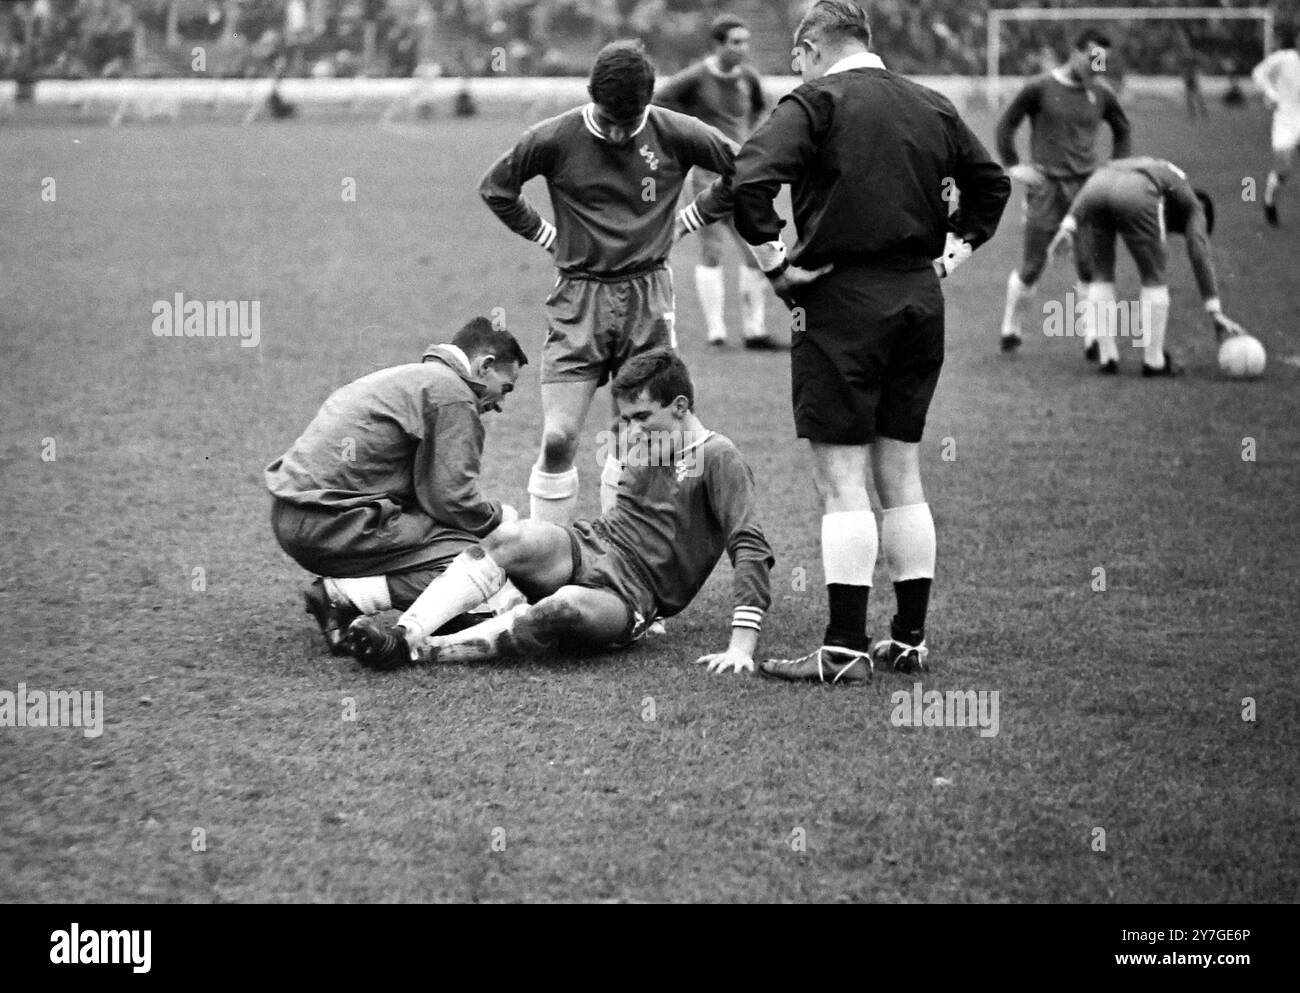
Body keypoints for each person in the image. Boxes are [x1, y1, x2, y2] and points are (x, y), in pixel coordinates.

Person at [730, 0, 1009, 683]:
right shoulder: (931, 103)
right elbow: (992, 184)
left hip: (840, 300)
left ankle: (844, 648)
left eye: (797, 59)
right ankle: (908, 640)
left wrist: (775, 264)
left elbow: (748, 180)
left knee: (842, 480)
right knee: (902, 472)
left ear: (811, 46)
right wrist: (951, 254)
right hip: (919, 298)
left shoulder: (814, 101)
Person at [345, 350, 774, 674]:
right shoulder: (642, 442)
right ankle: (404, 633)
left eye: (643, 416)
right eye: (627, 418)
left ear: (680, 406)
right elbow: (623, 516)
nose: (633, 429)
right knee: (513, 535)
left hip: (635, 593)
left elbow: (751, 546)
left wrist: (741, 646)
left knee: (564, 606)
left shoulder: (720, 456)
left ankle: (421, 652)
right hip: (591, 545)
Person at [479, 41, 740, 527]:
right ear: (590, 96)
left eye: (631, 120)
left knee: (638, 438)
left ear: (650, 101)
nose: (620, 132)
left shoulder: (678, 132)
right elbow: (497, 188)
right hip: (579, 296)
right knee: (558, 438)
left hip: (648, 295)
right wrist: (544, 234)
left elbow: (747, 169)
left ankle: (622, 565)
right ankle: (548, 565)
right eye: (610, 118)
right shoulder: (554, 137)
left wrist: (693, 216)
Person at [265, 317, 527, 654]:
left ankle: (351, 596)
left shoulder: (412, 378)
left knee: (457, 542)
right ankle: (341, 598)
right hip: (328, 522)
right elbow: (452, 500)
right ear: (485, 366)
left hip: (292, 514)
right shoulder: (453, 395)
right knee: (478, 556)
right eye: (506, 388)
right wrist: (500, 519)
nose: (501, 405)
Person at [995, 29, 1131, 357]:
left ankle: (1093, 339)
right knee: (1033, 266)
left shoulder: (1102, 93)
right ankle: (1011, 327)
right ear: (1075, 53)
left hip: (1085, 191)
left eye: (1103, 61)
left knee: (1088, 264)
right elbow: (1006, 126)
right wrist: (1015, 166)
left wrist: (1113, 170)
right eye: (1093, 58)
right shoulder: (1039, 88)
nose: (1098, 66)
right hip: (1046, 189)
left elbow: (1123, 130)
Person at [1047, 157, 1248, 375]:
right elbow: (1199, 253)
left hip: (1097, 185)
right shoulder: (1194, 206)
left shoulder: (1164, 174)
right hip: (1137, 190)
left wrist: (1070, 222)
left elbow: (1097, 183)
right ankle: (1154, 362)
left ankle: (1107, 357)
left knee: (1102, 271)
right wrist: (1214, 310)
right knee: (1154, 275)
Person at [655, 14, 777, 349]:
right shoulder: (695, 77)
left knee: (755, 250)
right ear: (717, 44)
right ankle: (717, 333)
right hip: (707, 175)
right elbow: (659, 103)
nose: (743, 48)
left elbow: (761, 107)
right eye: (736, 42)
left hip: (742, 174)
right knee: (711, 249)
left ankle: (755, 331)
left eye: (746, 42)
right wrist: (685, 139)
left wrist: (750, 139)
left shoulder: (747, 77)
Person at [1251, 28, 1300, 226]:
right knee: (1284, 169)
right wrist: (1270, 94)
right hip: (1286, 120)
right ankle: (1269, 201)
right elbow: (1258, 73)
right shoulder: (1284, 58)